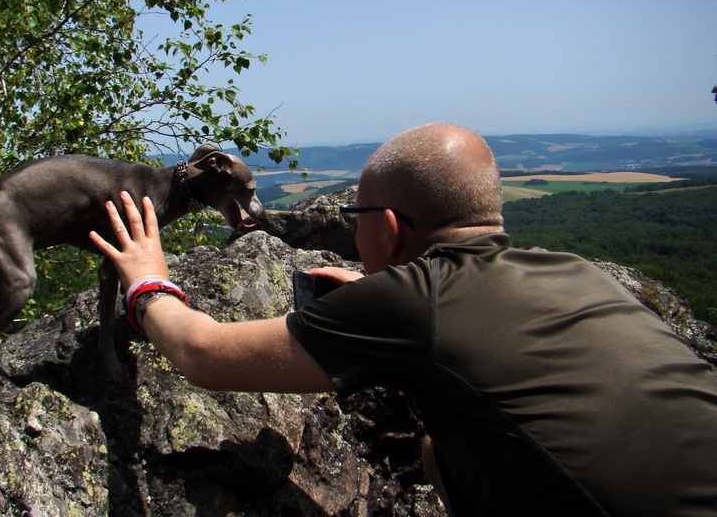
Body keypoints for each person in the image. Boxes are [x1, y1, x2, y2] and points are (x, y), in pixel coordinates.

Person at [90, 123, 717, 516]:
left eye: (358, 216)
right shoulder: (578, 272)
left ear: (388, 229)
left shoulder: (415, 303)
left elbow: (203, 355)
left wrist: (147, 280)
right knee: (437, 449)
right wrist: (372, 289)